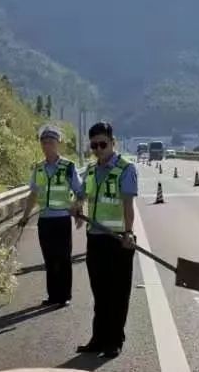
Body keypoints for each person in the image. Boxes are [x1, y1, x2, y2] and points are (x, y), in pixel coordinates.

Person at [73, 121, 138, 358]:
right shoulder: (90, 170)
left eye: (103, 144)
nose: (99, 149)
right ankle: (98, 339)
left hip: (119, 240)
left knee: (118, 293)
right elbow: (83, 194)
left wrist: (128, 233)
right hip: (96, 238)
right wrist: (77, 205)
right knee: (99, 292)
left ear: (113, 142)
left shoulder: (125, 168)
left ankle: (114, 340)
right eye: (94, 145)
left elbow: (128, 205)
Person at [18, 124, 81, 307]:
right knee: (49, 258)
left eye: (50, 142)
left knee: (63, 258)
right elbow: (33, 194)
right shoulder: (38, 168)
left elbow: (79, 190)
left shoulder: (68, 166)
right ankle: (53, 295)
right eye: (44, 142)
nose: (47, 145)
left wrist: (77, 208)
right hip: (44, 220)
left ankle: (64, 295)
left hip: (61, 219)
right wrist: (25, 216)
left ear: (58, 144)